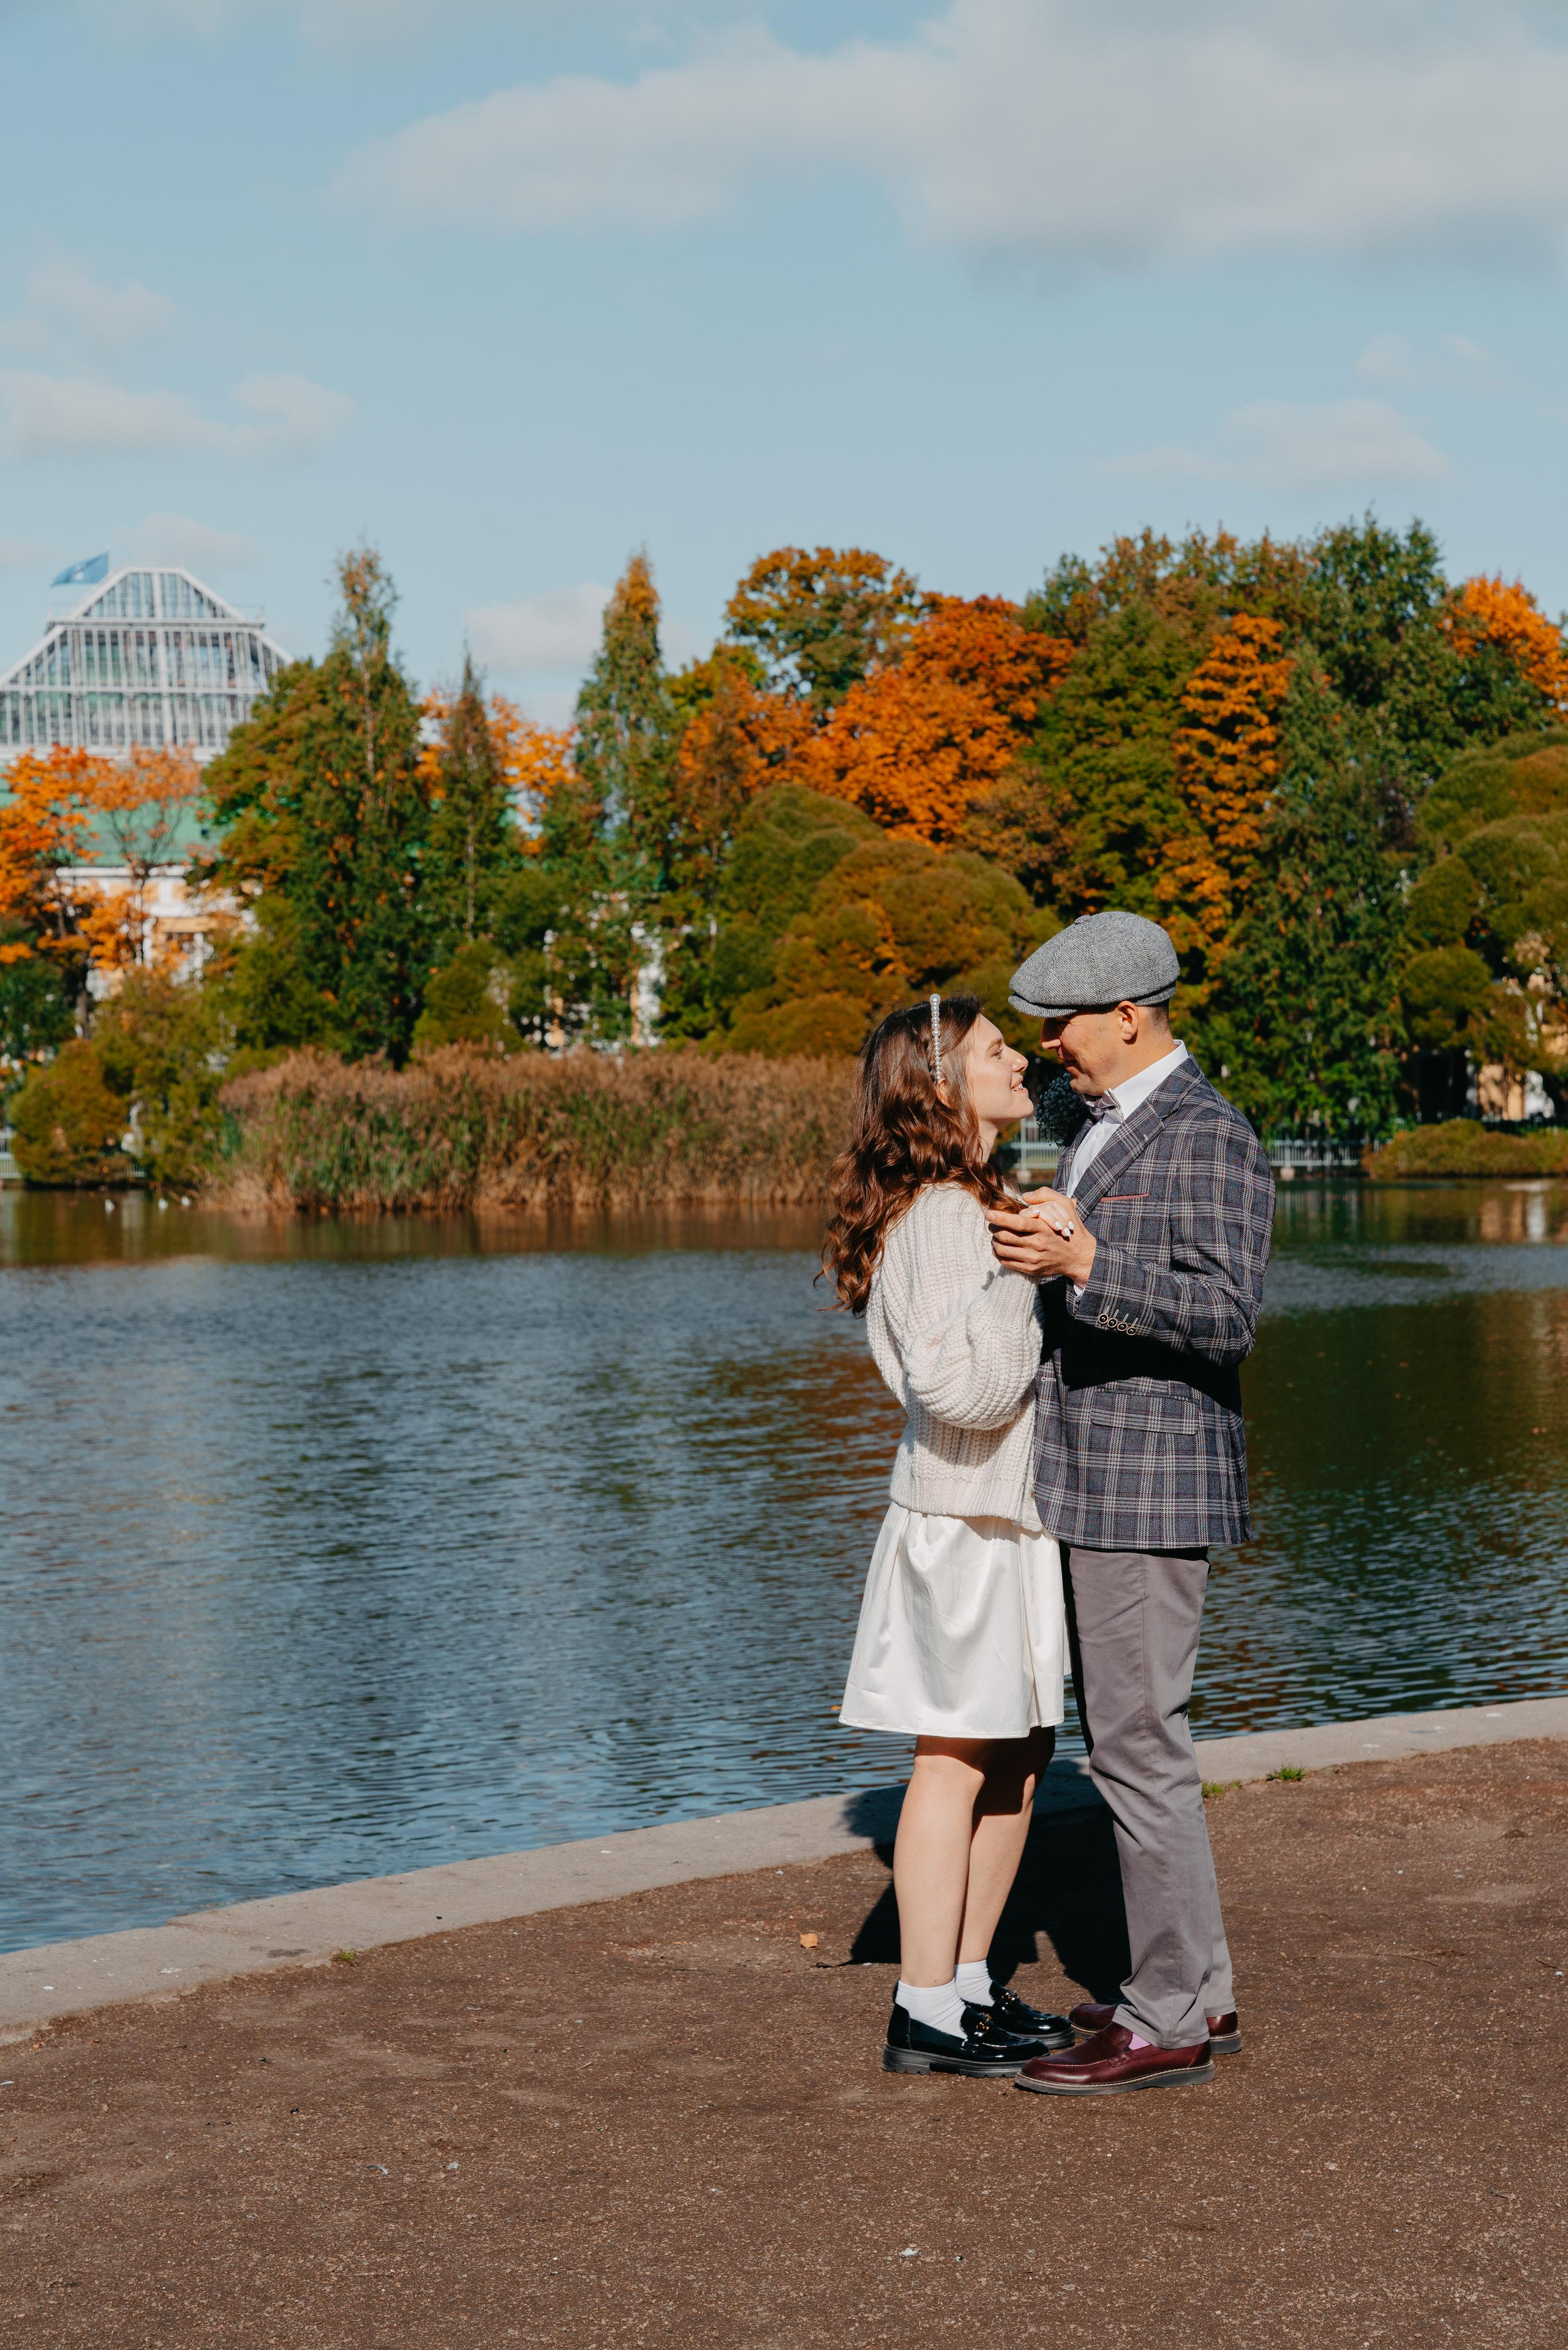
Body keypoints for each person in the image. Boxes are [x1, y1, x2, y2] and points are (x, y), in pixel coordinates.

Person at [986, 909, 1273, 2098]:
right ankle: (1198, 1986)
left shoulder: (1208, 1132)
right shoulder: (1098, 1118)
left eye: (1061, 1024)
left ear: (1126, 1015)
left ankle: (1167, 2018)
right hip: (1097, 1476)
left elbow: (1227, 1315)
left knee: (1137, 1750)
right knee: (1138, 1744)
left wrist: (1086, 1264)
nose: (1048, 1044)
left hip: (1149, 1486)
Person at [824, 992, 1076, 2080]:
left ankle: (968, 1982)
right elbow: (960, 1389)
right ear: (939, 1084)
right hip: (960, 1526)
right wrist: (1026, 1272)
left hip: (1006, 1521)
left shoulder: (980, 1200)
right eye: (995, 1049)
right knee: (954, 1757)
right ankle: (923, 2006)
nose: (1021, 1060)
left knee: (1020, 1755)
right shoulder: (940, 1215)